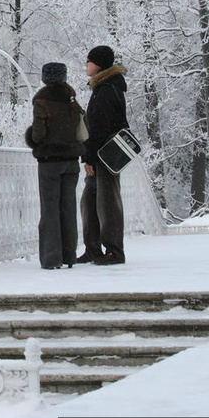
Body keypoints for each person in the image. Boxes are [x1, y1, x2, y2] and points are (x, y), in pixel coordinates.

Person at [25, 62, 86, 270]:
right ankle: (69, 255)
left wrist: (30, 136)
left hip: (50, 162)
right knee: (68, 208)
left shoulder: (42, 101)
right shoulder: (71, 99)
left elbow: (38, 135)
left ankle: (52, 258)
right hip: (71, 162)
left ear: (45, 78)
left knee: (50, 209)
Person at [78, 45, 129, 265]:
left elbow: (100, 127)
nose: (86, 65)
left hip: (104, 155)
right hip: (102, 153)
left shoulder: (107, 89)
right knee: (90, 201)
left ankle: (114, 251)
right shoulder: (105, 88)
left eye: (89, 61)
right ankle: (93, 249)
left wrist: (89, 157)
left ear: (98, 64)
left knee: (106, 202)